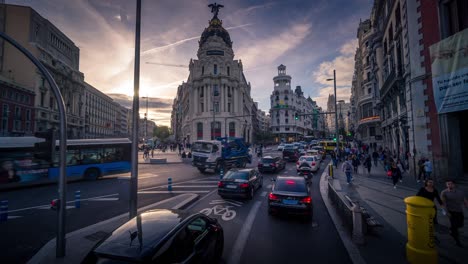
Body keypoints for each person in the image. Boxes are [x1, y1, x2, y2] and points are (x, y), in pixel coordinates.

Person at [441, 179, 468, 247]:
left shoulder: (460, 192)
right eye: (448, 184)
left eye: (450, 184)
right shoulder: (444, 192)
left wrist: (466, 205)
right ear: (446, 185)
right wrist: (446, 212)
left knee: (460, 224)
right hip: (451, 212)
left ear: (454, 184)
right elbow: (444, 203)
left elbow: (465, 201)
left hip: (459, 211)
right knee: (455, 227)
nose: (449, 185)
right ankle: (457, 240)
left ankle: (452, 230)